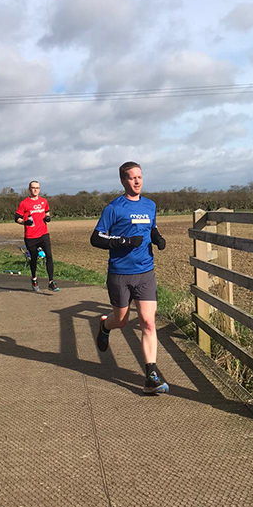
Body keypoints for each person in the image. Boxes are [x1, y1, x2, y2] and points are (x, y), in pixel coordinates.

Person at [90, 162, 168, 395]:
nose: (137, 181)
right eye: (132, 178)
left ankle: (151, 375)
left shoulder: (150, 205)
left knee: (148, 322)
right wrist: (122, 242)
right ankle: (105, 326)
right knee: (121, 320)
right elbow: (96, 238)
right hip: (120, 274)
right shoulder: (114, 208)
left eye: (140, 177)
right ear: (123, 181)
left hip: (145, 271)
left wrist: (157, 237)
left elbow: (150, 227)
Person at [15, 181, 59, 293]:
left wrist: (48, 218)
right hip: (31, 236)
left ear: (40, 189)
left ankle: (51, 282)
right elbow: (17, 218)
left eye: (37, 188)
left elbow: (47, 212)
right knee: (33, 258)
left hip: (43, 234)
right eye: (33, 188)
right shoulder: (24, 203)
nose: (35, 190)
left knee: (49, 256)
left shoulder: (44, 201)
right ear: (29, 189)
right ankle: (34, 278)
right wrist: (25, 222)